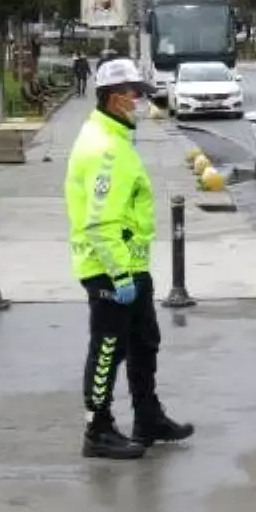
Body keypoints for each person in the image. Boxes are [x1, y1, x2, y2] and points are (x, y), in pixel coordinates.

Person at [64, 58, 195, 460]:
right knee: (107, 350)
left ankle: (148, 417)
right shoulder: (105, 149)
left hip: (131, 266)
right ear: (114, 98)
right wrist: (120, 276)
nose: (140, 100)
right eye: (134, 93)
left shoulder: (115, 137)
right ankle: (97, 429)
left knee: (144, 343)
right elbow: (100, 224)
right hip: (110, 270)